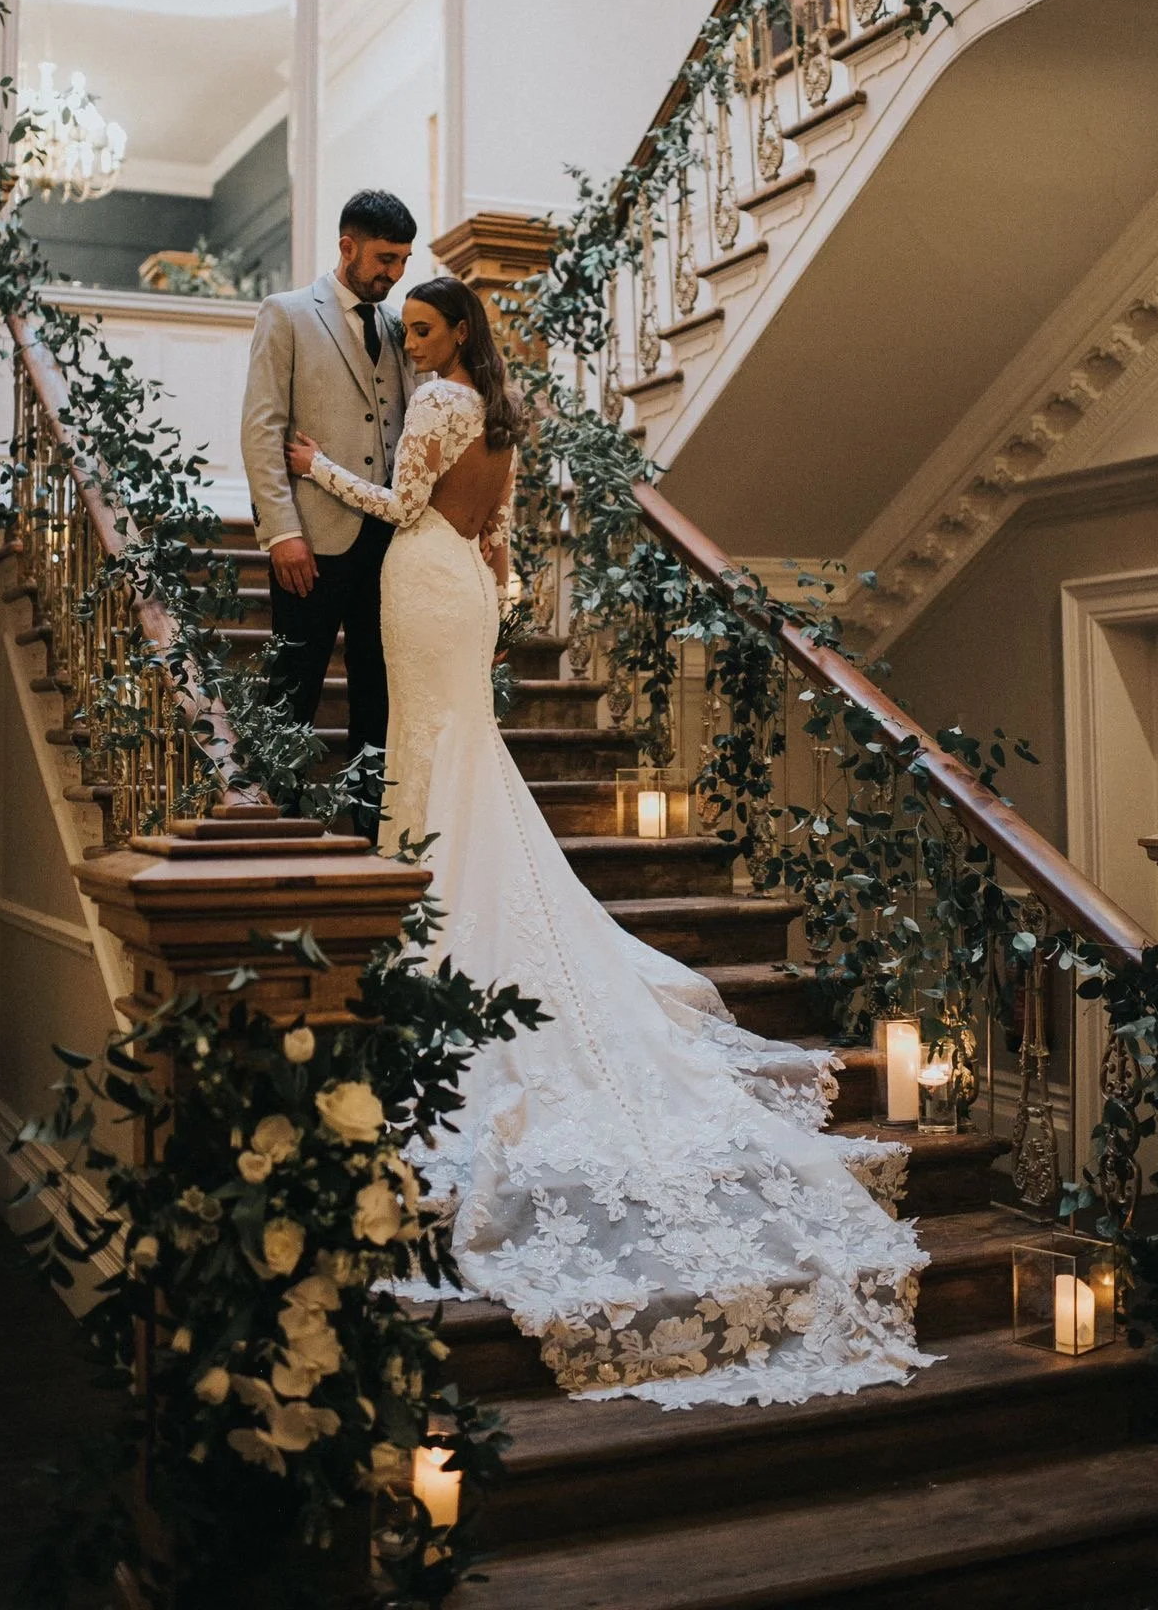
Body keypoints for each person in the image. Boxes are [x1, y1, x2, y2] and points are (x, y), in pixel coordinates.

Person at [284, 274, 932, 1411]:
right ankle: (441, 907)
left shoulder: (440, 402)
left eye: (426, 329)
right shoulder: (505, 412)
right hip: (464, 593)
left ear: (454, 333)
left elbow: (399, 508)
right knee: (456, 750)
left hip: (419, 580)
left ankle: (431, 929)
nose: (416, 345)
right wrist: (485, 610)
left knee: (431, 754)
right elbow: (498, 541)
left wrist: (313, 470)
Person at [240, 190, 418, 834]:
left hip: (389, 541)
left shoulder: (400, 326)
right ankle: (271, 828)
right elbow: (263, 429)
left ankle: (372, 827)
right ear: (347, 247)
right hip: (311, 541)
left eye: (402, 261)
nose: (394, 274)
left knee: (379, 694)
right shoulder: (286, 314)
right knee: (293, 690)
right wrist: (282, 531)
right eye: (384, 258)